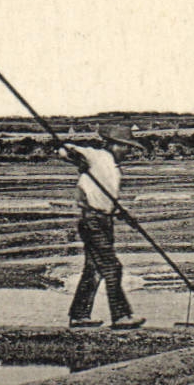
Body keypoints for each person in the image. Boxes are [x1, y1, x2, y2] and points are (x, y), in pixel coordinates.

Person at [60, 124, 148, 330]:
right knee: (112, 267)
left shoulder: (114, 168)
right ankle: (121, 316)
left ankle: (79, 316)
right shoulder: (97, 156)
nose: (128, 151)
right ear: (112, 145)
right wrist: (74, 158)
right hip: (93, 221)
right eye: (125, 146)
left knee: (94, 269)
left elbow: (105, 199)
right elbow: (64, 148)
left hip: (103, 220)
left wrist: (123, 214)